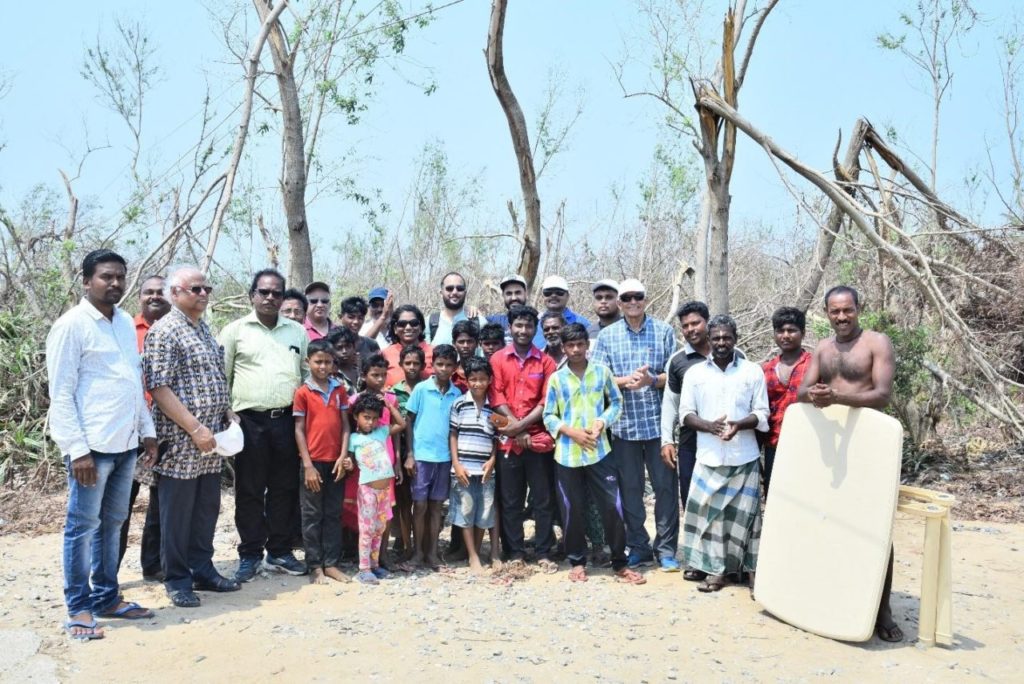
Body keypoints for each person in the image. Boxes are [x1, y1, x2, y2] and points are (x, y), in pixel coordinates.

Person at [47, 249, 157, 640]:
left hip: (125, 444)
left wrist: (147, 430)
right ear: (86, 281)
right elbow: (60, 393)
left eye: (119, 277)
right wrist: (76, 449)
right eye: (105, 277)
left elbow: (132, 378)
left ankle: (107, 597)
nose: (114, 284)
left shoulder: (125, 322)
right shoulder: (71, 326)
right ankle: (79, 607)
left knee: (113, 525)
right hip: (91, 449)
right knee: (81, 527)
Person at [797, 285, 901, 643]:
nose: (841, 317)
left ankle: (883, 609)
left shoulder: (876, 343)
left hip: (870, 443)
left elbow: (883, 394)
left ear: (859, 309)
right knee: (831, 521)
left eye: (848, 310)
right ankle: (836, 599)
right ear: (826, 313)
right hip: (832, 444)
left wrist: (838, 396)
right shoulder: (823, 349)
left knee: (877, 526)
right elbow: (801, 392)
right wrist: (815, 394)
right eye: (835, 311)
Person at [144, 266, 241, 607]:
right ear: (175, 293)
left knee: (206, 509)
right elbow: (158, 386)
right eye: (195, 289)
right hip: (183, 441)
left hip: (212, 441)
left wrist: (227, 413)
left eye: (206, 288)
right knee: (177, 512)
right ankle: (177, 578)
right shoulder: (165, 331)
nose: (203, 294)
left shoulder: (203, 328)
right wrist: (196, 429)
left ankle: (203, 569)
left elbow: (215, 376)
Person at [220, 268, 309, 582]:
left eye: (276, 293)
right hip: (249, 423)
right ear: (252, 295)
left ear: (283, 297)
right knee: (250, 490)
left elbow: (306, 374)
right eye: (264, 292)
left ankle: (280, 551)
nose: (270, 297)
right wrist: (227, 412)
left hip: (287, 421)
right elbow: (221, 377)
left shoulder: (297, 332)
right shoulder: (235, 331)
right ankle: (249, 555)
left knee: (285, 488)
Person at [543, 324, 646, 585]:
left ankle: (620, 563)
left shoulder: (602, 373)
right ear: (564, 348)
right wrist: (571, 432)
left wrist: (601, 422)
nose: (576, 349)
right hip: (567, 454)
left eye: (580, 344)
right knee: (571, 508)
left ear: (587, 345)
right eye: (570, 345)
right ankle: (577, 561)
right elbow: (549, 416)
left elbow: (617, 404)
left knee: (613, 506)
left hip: (600, 453)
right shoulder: (557, 378)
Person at [592, 278, 678, 571]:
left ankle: (666, 549)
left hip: (657, 426)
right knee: (630, 491)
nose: (632, 303)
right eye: (626, 298)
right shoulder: (607, 336)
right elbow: (599, 379)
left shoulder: (664, 332)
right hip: (624, 427)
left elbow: (674, 377)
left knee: (665, 490)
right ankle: (639, 546)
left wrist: (652, 380)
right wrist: (624, 382)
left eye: (637, 297)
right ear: (619, 303)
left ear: (646, 299)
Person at [679, 314, 768, 594]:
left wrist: (738, 425)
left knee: (748, 520)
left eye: (726, 337)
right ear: (709, 340)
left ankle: (753, 573)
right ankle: (717, 572)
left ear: (735, 339)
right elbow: (685, 415)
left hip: (744, 456)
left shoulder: (752, 371)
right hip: (709, 456)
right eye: (716, 338)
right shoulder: (695, 374)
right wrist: (711, 426)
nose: (721, 343)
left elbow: (762, 413)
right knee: (713, 517)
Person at [489, 304, 558, 570]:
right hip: (508, 439)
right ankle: (515, 551)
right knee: (510, 500)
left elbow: (547, 400)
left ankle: (543, 551)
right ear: (510, 328)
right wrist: (515, 427)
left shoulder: (546, 361)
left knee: (542, 499)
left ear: (535, 329)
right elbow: (496, 396)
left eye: (528, 326)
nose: (523, 330)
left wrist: (524, 428)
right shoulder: (497, 359)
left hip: (536, 440)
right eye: (518, 325)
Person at [118, 274, 169, 582]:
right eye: (148, 292)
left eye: (160, 292)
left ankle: (154, 564)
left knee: (161, 502)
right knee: (120, 505)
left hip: (166, 430)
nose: (154, 296)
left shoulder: (178, 330)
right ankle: (108, 573)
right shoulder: (124, 329)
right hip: (129, 430)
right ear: (139, 296)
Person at [294, 339, 352, 585]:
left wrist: (343, 455)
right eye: (318, 361)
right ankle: (315, 565)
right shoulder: (303, 392)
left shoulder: (339, 389)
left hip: (336, 461)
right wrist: (307, 465)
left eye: (328, 362)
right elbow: (299, 429)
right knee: (311, 514)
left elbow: (346, 426)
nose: (323, 366)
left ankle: (331, 563)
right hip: (313, 463)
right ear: (308, 362)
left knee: (333, 513)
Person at [404, 344, 461, 569]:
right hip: (421, 457)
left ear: (455, 367)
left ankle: (432, 553)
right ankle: (417, 552)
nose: (444, 369)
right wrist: (410, 454)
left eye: (448, 365)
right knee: (419, 506)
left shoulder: (457, 394)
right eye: (440, 364)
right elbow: (408, 420)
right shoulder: (421, 389)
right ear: (432, 365)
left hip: (444, 458)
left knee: (437, 507)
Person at [448, 356, 499, 573]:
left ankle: (477, 550)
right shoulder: (459, 403)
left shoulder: (494, 408)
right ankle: (472, 556)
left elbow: (497, 438)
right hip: (464, 469)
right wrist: (457, 464)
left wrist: (493, 459)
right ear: (466, 381)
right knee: (466, 510)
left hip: (486, 470)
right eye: (473, 379)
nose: (477, 383)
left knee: (484, 513)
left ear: (489, 380)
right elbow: (453, 435)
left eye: (482, 379)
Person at [349, 393, 405, 585]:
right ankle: (363, 568)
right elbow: (349, 459)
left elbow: (401, 424)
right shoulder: (353, 438)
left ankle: (374, 565)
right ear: (356, 416)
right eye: (366, 417)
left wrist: (389, 406)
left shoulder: (381, 431)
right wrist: (347, 463)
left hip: (384, 491)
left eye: (374, 418)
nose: (370, 422)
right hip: (367, 490)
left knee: (379, 528)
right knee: (367, 529)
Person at [761, 306, 812, 495]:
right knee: (774, 496)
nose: (786, 335)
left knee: (805, 497)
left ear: (803, 333)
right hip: (774, 444)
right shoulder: (765, 369)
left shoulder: (815, 365)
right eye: (780, 331)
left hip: (807, 444)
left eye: (792, 330)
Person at [389, 344, 425, 560]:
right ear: (401, 365)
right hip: (400, 448)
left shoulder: (427, 387)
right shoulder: (393, 392)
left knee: (421, 500)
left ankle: (422, 543)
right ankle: (404, 543)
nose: (412, 367)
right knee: (403, 501)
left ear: (422, 366)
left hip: (425, 449)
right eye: (408, 363)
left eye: (416, 363)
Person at [426, 272, 487, 346]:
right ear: (441, 293)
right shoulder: (429, 323)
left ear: (465, 292)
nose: (455, 292)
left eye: (459, 288)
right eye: (449, 288)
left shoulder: (479, 322)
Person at [533, 275, 591, 349]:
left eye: (559, 292)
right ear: (543, 297)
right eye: (548, 292)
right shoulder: (534, 324)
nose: (553, 295)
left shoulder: (583, 323)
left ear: (567, 296)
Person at [382, 304, 433, 387]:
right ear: (395, 328)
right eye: (402, 324)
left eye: (414, 323)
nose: (408, 327)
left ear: (420, 327)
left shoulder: (434, 352)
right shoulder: (385, 354)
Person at [486, 274, 528, 345]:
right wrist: (469, 309)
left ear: (526, 294)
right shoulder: (494, 321)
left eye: (518, 293)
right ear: (503, 296)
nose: (514, 298)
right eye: (509, 294)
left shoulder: (539, 323)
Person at [338, 296, 382, 363]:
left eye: (360, 318)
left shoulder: (371, 344)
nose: (356, 322)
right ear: (341, 317)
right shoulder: (331, 344)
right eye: (351, 317)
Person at [327, 326, 360, 394]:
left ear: (354, 347)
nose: (344, 351)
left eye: (348, 346)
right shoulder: (330, 376)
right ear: (331, 351)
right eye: (339, 348)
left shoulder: (361, 371)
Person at [451, 318, 480, 392]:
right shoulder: (450, 372)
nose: (465, 346)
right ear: (454, 344)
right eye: (461, 342)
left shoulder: (486, 371)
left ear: (477, 343)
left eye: (470, 341)